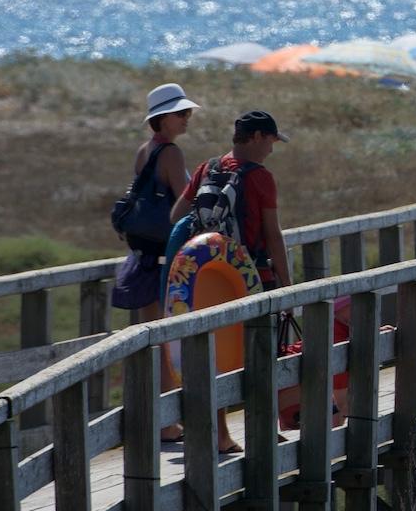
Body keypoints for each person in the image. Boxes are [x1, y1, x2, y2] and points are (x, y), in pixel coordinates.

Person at [170, 109, 292, 451]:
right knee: (260, 356)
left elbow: (176, 216)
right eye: (270, 140)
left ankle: (220, 435)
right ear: (257, 137)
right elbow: (273, 234)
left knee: (215, 354)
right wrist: (287, 285)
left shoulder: (207, 168)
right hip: (251, 277)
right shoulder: (260, 177)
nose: (271, 148)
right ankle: (263, 432)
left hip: (207, 278)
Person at [111, 83, 198, 440]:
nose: (187, 118)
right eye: (181, 113)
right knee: (171, 342)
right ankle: (167, 421)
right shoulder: (172, 153)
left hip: (143, 256)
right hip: (166, 258)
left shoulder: (144, 150)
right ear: (163, 118)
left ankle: (161, 421)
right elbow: (184, 202)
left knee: (153, 341)